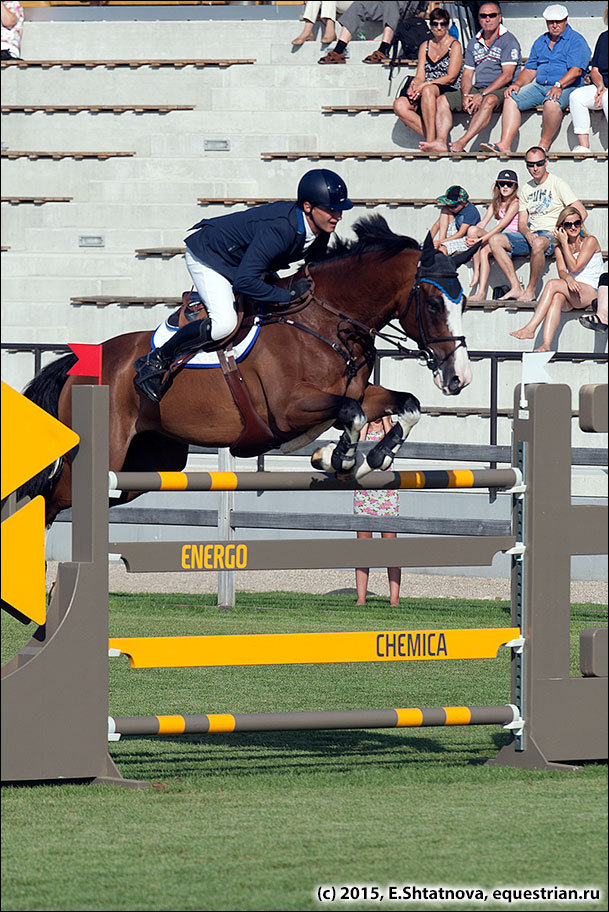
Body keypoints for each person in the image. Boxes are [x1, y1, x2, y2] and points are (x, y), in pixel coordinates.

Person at [133, 169, 353, 403]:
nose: (338, 217)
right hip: (211, 256)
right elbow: (245, 282)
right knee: (223, 324)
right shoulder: (281, 228)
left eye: (339, 210)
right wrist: (287, 295)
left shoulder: (320, 230)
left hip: (244, 261)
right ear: (308, 207)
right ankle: (156, 360)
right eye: (331, 210)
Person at [481, 4, 591, 154]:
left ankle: (543, 145)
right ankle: (504, 144)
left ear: (566, 20)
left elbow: (576, 71)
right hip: (540, 86)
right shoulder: (541, 41)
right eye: (551, 22)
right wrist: (517, 84)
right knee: (511, 97)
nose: (554, 25)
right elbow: (530, 69)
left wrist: (559, 85)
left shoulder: (576, 40)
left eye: (558, 21)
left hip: (567, 86)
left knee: (552, 102)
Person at [486, 147, 587, 301]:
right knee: (495, 240)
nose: (535, 168)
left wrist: (562, 230)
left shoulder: (557, 183)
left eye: (539, 163)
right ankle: (516, 287)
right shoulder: (527, 188)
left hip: (551, 235)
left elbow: (582, 212)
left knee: (538, 243)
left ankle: (530, 290)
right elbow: (522, 222)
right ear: (526, 165)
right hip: (532, 234)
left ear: (546, 162)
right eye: (531, 164)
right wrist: (527, 233)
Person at [510, 206, 604, 351]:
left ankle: (531, 327)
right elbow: (562, 271)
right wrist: (568, 278)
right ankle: (546, 344)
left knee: (552, 284)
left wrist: (565, 243)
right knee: (557, 297)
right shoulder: (559, 248)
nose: (573, 227)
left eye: (577, 223)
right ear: (562, 227)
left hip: (591, 291)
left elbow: (575, 267)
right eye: (568, 224)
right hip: (572, 291)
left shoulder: (590, 241)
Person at [447, 2, 522, 154]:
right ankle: (440, 142)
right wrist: (465, 95)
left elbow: (507, 75)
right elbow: (467, 73)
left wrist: (481, 95)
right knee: (442, 100)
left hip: (503, 89)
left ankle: (462, 141)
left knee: (489, 100)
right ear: (479, 19)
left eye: (492, 15)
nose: (488, 19)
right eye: (483, 16)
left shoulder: (509, 40)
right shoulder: (473, 41)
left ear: (499, 18)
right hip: (479, 87)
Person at [393, 6, 463, 154]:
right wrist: (415, 86)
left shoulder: (454, 45)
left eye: (443, 24)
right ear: (430, 25)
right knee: (399, 105)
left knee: (428, 90)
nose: (439, 28)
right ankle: (434, 141)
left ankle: (431, 141)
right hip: (427, 86)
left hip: (447, 86)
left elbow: (451, 76)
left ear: (447, 25)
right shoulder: (425, 46)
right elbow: (420, 73)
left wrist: (425, 84)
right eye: (435, 24)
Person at [353, 417, 402, 607]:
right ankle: (361, 597)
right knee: (363, 549)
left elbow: (393, 444)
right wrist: (365, 423)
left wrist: (386, 420)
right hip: (365, 493)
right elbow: (360, 448)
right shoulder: (362, 427)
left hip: (387, 494)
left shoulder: (393, 426)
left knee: (391, 549)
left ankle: (394, 598)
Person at [318, 0, 428, 65]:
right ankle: (339, 50)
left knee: (391, 3)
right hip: (385, 4)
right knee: (359, 5)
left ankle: (384, 49)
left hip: (408, 5)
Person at [466, 169, 519, 300]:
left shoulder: (515, 203)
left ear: (515, 187)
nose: (505, 187)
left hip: (510, 237)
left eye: (509, 184)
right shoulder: (496, 203)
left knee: (484, 249)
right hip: (497, 236)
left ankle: (481, 291)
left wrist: (480, 240)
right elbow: (483, 222)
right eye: (502, 184)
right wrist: (471, 236)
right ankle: (477, 272)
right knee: (472, 230)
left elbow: (501, 226)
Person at [569, 4, 608, 153]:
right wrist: (600, 86)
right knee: (576, 96)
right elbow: (595, 70)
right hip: (603, 86)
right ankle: (584, 146)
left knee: (607, 98)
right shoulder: (604, 38)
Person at [430, 185, 481, 255]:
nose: (450, 208)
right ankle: (441, 241)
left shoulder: (470, 211)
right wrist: (429, 241)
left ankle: (442, 246)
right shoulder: (453, 209)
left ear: (463, 202)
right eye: (448, 205)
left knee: (443, 249)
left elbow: (461, 233)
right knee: (444, 210)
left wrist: (441, 242)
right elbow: (437, 225)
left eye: (453, 206)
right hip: (455, 235)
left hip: (466, 239)